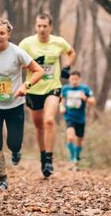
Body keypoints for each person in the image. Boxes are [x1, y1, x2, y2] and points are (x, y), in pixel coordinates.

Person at [0, 18, 44, 191]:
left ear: (8, 34)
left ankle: (16, 150)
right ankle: (2, 178)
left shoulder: (17, 52)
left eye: (2, 33)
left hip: (15, 105)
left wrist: (25, 85)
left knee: (14, 143)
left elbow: (39, 71)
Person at [19, 13, 76, 178]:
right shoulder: (27, 43)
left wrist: (67, 66)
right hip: (33, 89)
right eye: (39, 26)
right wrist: (29, 66)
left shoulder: (58, 42)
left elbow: (71, 52)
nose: (42, 29)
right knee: (39, 126)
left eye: (45, 26)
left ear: (50, 27)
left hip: (53, 87)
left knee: (49, 120)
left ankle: (50, 158)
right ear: (35, 26)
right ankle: (43, 156)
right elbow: (16, 61)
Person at [60, 70, 95, 171]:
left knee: (79, 140)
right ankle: (73, 159)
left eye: (76, 79)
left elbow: (93, 102)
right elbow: (61, 100)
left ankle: (77, 157)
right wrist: (61, 106)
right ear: (69, 79)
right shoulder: (65, 89)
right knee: (70, 137)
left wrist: (85, 98)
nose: (74, 81)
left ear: (79, 79)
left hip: (80, 118)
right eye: (72, 79)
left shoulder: (84, 89)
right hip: (69, 117)